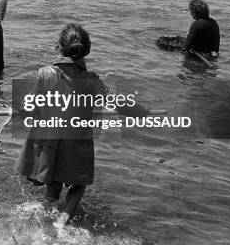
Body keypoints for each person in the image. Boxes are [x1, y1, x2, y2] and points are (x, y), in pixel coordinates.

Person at [15, 24, 148, 231]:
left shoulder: (44, 73)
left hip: (49, 140)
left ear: (58, 48)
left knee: (53, 181)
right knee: (78, 184)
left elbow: (27, 107)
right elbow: (116, 102)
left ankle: (46, 216)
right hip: (77, 142)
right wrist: (141, 112)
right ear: (86, 51)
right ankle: (62, 221)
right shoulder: (91, 79)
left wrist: (24, 110)